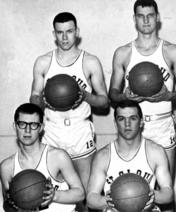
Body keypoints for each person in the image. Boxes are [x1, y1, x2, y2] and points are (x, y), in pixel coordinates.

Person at [29, 11, 109, 204]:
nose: (65, 37)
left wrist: (84, 96)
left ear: (77, 32)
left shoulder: (90, 62)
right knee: (50, 193)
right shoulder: (43, 62)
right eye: (60, 32)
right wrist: (44, 101)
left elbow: (104, 101)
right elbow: (33, 99)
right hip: (52, 130)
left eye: (69, 31)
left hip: (80, 131)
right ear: (54, 34)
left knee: (87, 196)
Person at [109, 0, 176, 180]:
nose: (146, 21)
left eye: (150, 15)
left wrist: (168, 95)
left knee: (165, 189)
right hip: (133, 126)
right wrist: (124, 96)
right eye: (140, 16)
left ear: (158, 18)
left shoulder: (172, 51)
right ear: (134, 19)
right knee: (134, 189)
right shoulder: (123, 53)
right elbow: (112, 95)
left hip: (162, 125)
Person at [86, 100, 173, 211]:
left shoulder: (156, 152)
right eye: (121, 119)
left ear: (141, 122)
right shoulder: (103, 156)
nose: (127, 124)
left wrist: (148, 196)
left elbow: (168, 194)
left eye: (133, 118)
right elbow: (91, 198)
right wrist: (113, 200)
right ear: (115, 123)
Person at [0, 103, 85, 212]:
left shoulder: (58, 156)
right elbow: (7, 207)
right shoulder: (7, 167)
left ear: (41, 128)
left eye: (33, 125)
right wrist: (13, 205)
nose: (27, 130)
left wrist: (54, 196)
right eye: (22, 124)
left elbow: (80, 193)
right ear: (15, 126)